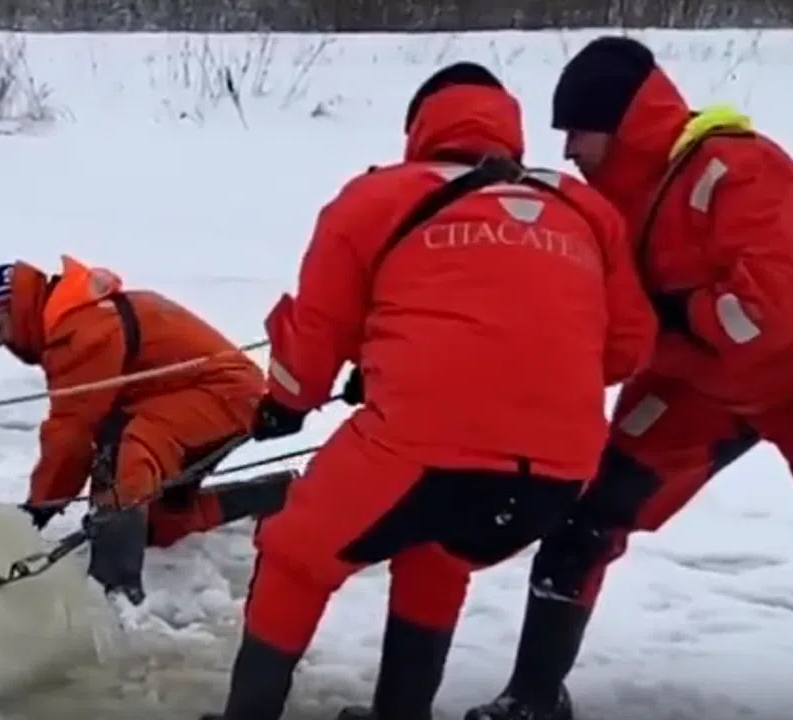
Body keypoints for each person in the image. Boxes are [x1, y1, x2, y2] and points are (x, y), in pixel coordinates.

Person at [201, 61, 657, 720]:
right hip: (560, 471)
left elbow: (314, 342)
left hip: (421, 443)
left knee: (295, 552)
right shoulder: (585, 210)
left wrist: (286, 405)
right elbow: (627, 348)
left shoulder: (375, 198)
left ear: (419, 126)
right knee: (436, 550)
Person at [466, 36, 793, 720]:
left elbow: (766, 314)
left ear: (621, 124)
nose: (570, 152)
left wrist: (672, 317)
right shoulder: (612, 200)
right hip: (696, 390)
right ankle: (531, 699)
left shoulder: (736, 169)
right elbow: (562, 243)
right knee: (584, 527)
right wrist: (497, 187)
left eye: (579, 132)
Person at [0, 255, 294, 605]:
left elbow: (72, 432)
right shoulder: (75, 318)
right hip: (198, 395)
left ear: (17, 311)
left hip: (222, 394)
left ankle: (114, 593)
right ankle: (281, 495)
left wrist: (38, 510)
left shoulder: (81, 330)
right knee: (153, 522)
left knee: (126, 456)